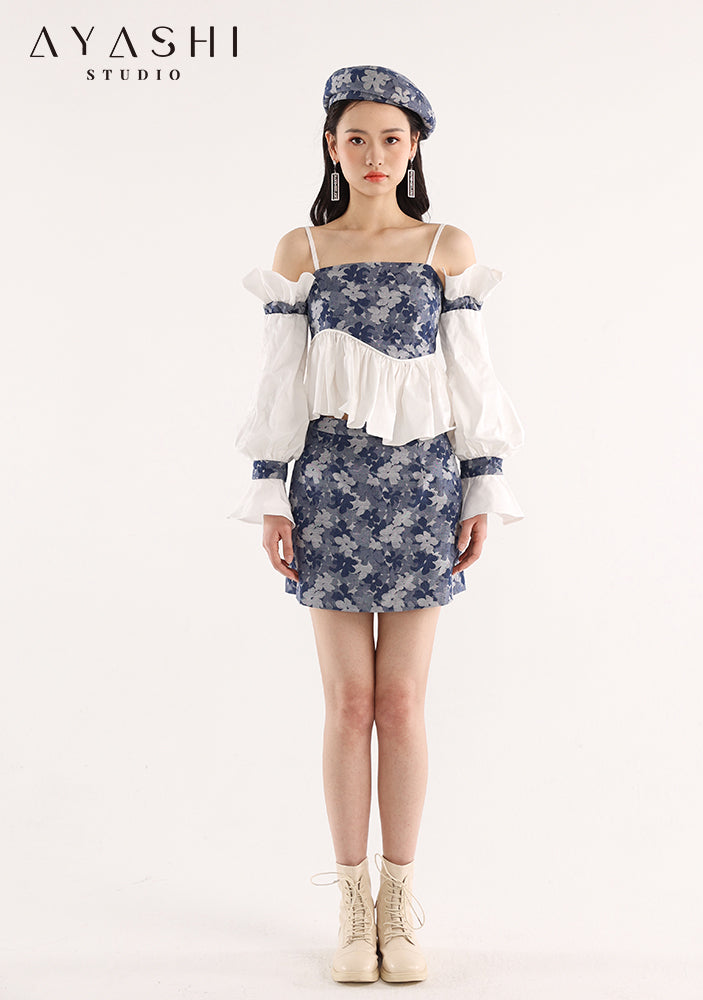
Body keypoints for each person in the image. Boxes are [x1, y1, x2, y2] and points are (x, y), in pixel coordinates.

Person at [228, 65, 525, 985]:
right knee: (347, 702)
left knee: (401, 702)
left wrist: (481, 488)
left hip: (422, 488)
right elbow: (280, 379)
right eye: (355, 138)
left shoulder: (445, 247)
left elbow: (471, 375)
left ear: (414, 147)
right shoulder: (302, 251)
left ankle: (399, 900)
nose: (373, 154)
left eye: (391, 139)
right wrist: (271, 492)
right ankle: (352, 907)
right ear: (331, 146)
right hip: (328, 488)